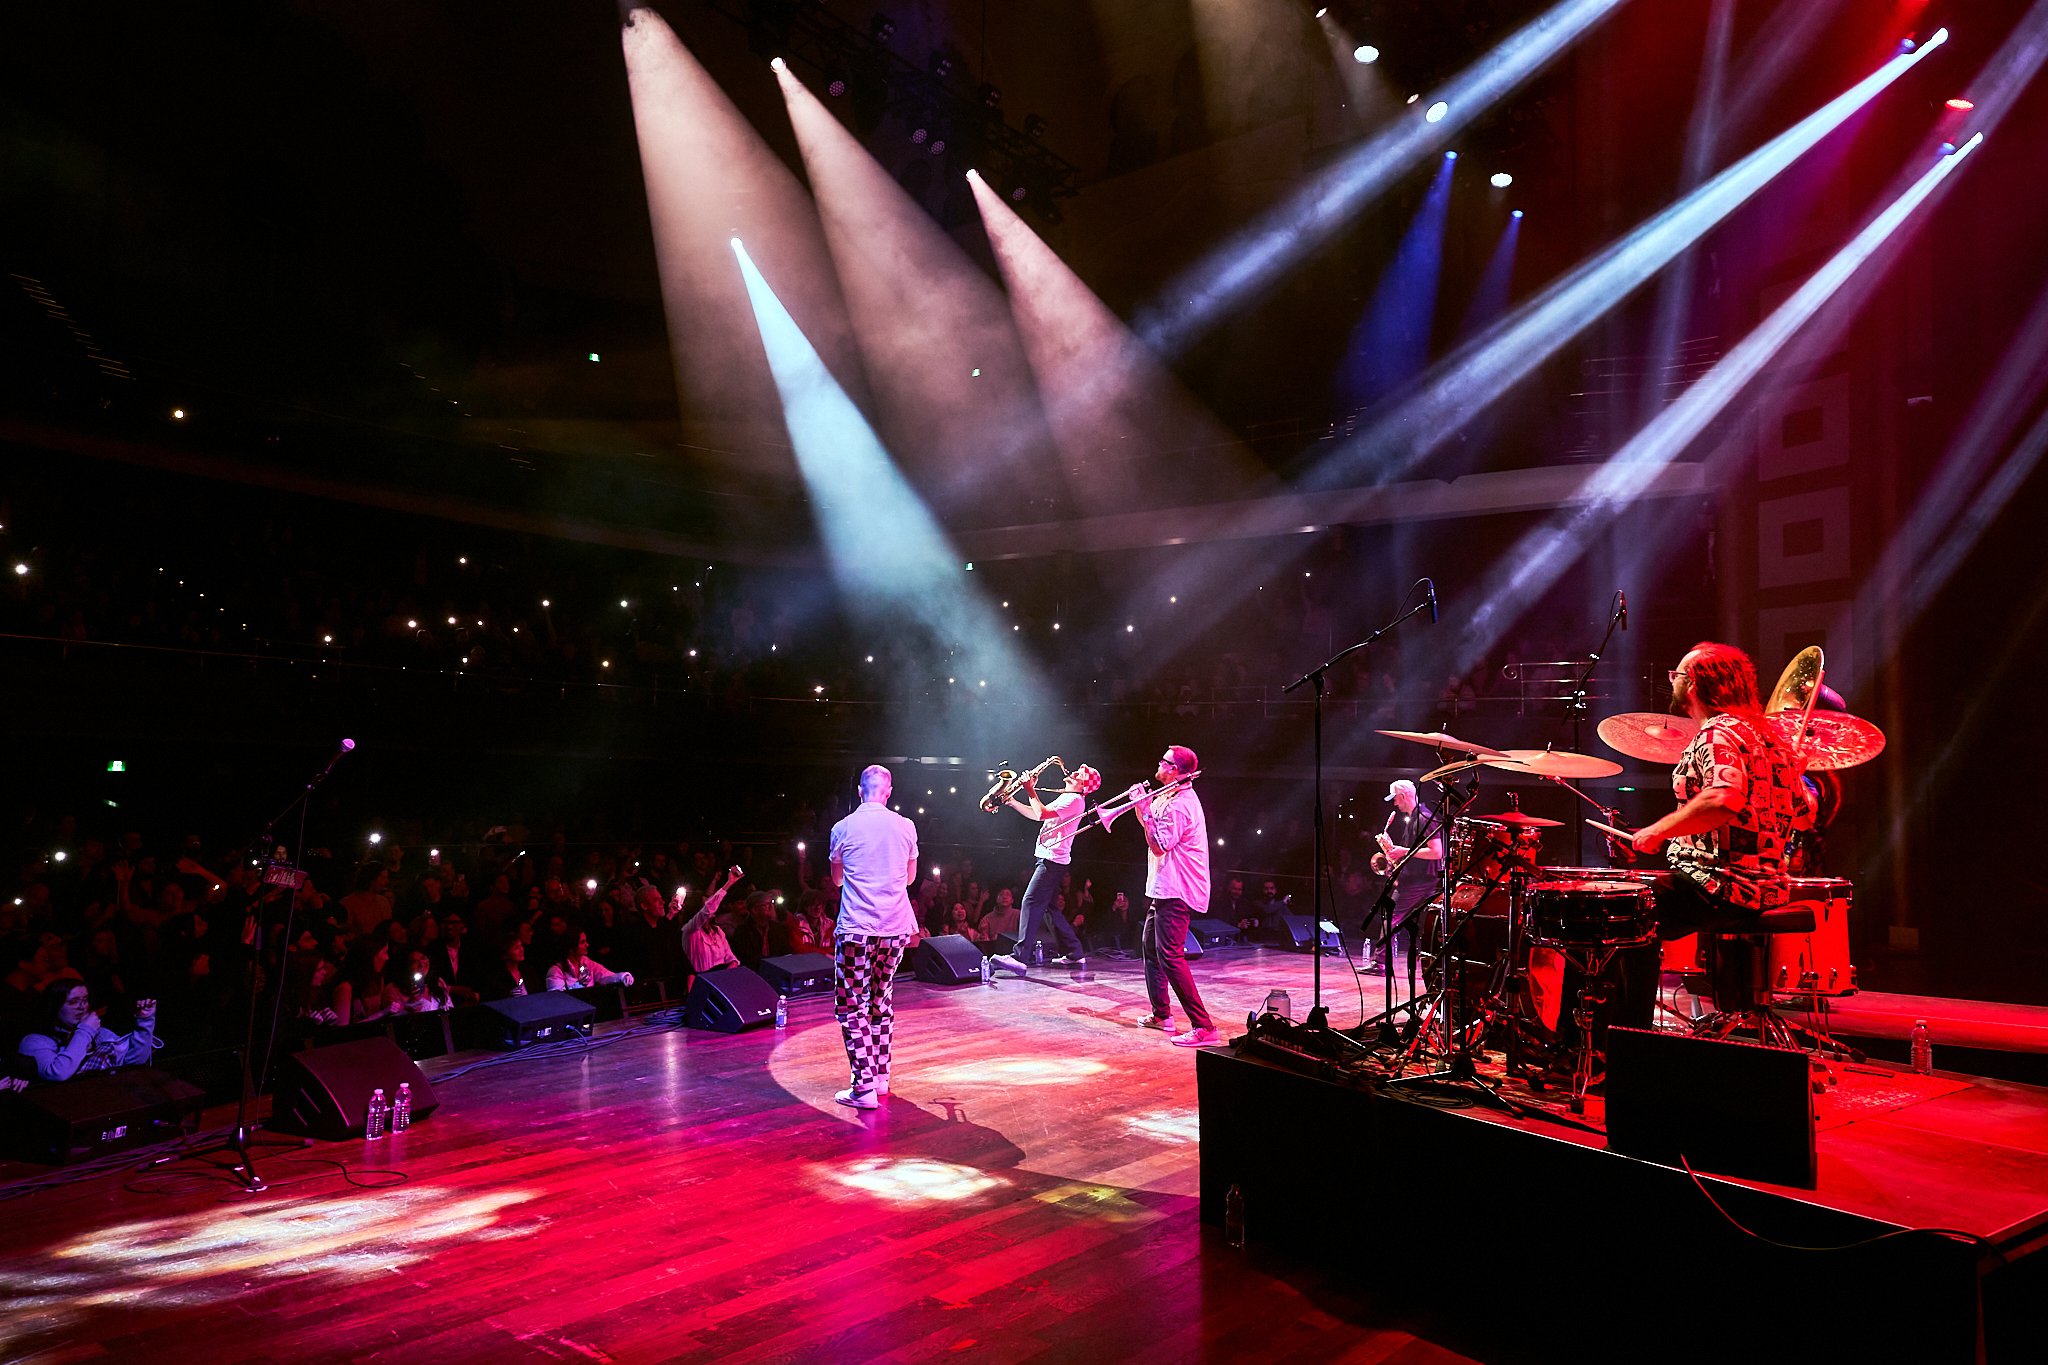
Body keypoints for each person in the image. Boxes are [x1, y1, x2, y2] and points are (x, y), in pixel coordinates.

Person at [1632, 642, 1816, 934]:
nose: (1673, 682)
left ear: (1692, 683)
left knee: (1624, 909)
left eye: (1675, 675)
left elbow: (1722, 799)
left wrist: (1658, 831)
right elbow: (1806, 817)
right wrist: (1796, 771)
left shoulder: (1717, 733)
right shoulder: (1773, 742)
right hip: (1769, 891)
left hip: (1720, 887)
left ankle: (1619, 982)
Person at [827, 764, 919, 1109]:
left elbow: (836, 880)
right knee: (881, 1000)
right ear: (889, 791)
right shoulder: (906, 826)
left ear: (860, 791)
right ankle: (880, 1078)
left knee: (852, 1006)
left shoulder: (843, 827)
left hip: (857, 928)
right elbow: (910, 879)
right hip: (895, 928)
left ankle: (863, 1087)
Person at [1132, 746, 1219, 1047]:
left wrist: (1143, 812)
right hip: (1164, 886)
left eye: (1165, 762)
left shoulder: (1181, 804)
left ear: (1178, 771)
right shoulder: (1167, 795)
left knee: (1170, 955)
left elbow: (1159, 845)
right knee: (1150, 948)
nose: (1159, 763)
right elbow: (1151, 827)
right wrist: (1142, 810)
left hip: (1178, 888)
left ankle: (1204, 1026)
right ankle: (1162, 1015)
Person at [990, 764, 1102, 977]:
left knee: (1030, 902)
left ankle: (1019, 957)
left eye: (1079, 775)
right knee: (1050, 909)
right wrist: (1013, 802)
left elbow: (1041, 813)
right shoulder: (1068, 798)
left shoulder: (1074, 799)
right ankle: (1074, 952)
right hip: (1051, 857)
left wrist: (1030, 789)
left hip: (1052, 860)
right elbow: (1037, 814)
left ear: (1083, 785)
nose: (1073, 773)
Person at [1371, 779, 1445, 996]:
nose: (1394, 803)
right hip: (1416, 878)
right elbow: (1413, 850)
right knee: (1394, 917)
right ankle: (1382, 962)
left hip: (1421, 881)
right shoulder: (1413, 818)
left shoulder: (1422, 818)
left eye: (1395, 798)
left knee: (1391, 917)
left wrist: (1403, 851)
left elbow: (1437, 852)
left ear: (1402, 796)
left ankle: (1380, 963)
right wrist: (1393, 851)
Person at [20, 982, 159, 1081]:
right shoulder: (35, 1041)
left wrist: (145, 1022)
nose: (82, 1007)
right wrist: (85, 1031)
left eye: (85, 1000)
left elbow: (134, 1062)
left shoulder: (100, 1033)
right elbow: (58, 1074)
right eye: (73, 1002)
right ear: (54, 1006)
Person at [677, 865, 745, 975]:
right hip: (703, 982)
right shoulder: (690, 931)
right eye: (706, 903)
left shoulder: (717, 931)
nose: (711, 904)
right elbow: (707, 910)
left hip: (722, 980)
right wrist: (729, 884)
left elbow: (730, 957)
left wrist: (731, 967)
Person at [546, 931, 634, 991]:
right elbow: (558, 1000)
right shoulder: (556, 971)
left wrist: (623, 977)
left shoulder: (586, 962)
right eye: (582, 942)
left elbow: (605, 976)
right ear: (571, 947)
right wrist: (580, 984)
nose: (587, 945)